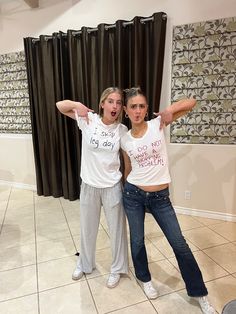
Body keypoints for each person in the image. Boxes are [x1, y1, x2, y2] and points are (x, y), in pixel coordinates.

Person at [121, 87, 216, 314]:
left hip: (160, 198)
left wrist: (168, 111)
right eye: (133, 106)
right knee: (137, 241)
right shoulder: (124, 139)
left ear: (146, 109)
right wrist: (127, 188)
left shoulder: (157, 125)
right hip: (133, 194)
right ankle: (145, 279)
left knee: (179, 244)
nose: (137, 110)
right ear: (125, 110)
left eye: (141, 106)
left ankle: (199, 292)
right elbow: (127, 168)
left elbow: (191, 102)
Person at [56, 87, 129, 288]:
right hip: (89, 185)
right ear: (102, 104)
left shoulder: (121, 131)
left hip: (112, 186)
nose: (115, 106)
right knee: (87, 229)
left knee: (117, 231)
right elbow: (60, 106)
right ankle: (85, 264)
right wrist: (77, 105)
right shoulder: (89, 120)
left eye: (118, 102)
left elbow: (129, 159)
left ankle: (117, 269)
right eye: (111, 101)